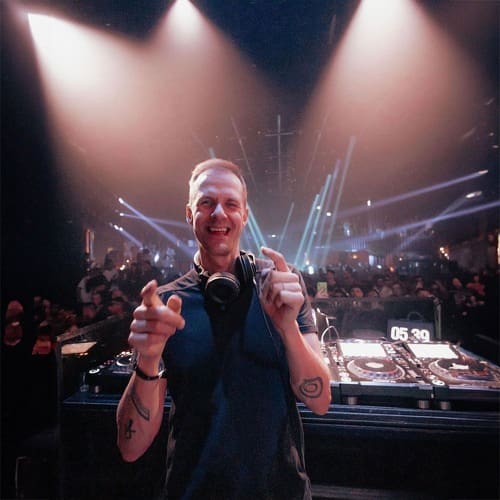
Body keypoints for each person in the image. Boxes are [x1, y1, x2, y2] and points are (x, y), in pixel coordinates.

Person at [116, 158, 331, 499]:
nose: (219, 213)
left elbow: (319, 401)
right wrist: (148, 360)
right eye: (206, 202)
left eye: (231, 203)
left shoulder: (282, 286)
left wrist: (287, 327)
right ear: (190, 214)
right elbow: (131, 448)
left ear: (244, 215)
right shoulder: (167, 304)